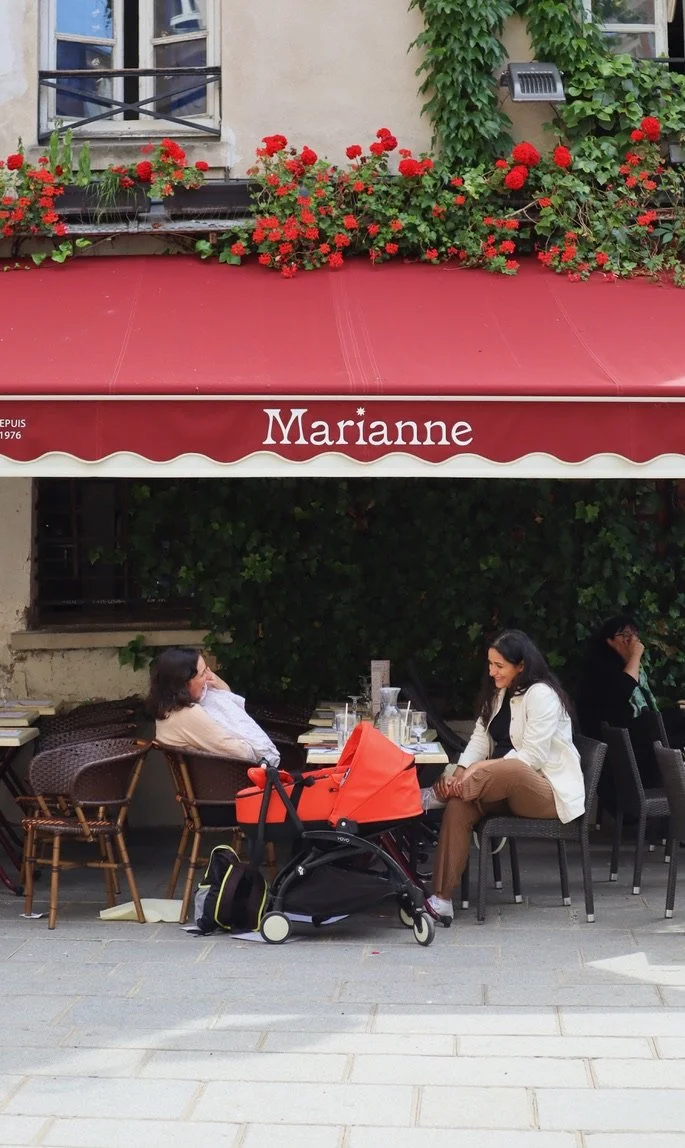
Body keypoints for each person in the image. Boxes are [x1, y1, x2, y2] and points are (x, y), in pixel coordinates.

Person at [426, 630, 584, 922]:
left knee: (511, 768)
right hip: (498, 786)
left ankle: (436, 794)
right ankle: (442, 899)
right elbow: (478, 739)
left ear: (521, 665)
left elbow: (532, 757)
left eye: (499, 666)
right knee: (460, 806)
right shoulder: (500, 694)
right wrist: (463, 769)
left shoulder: (542, 695)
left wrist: (479, 770)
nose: (491, 672)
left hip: (544, 791)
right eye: (490, 664)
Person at [576, 614, 660, 802]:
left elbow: (648, 712)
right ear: (609, 641)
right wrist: (635, 655)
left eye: (634, 635)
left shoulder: (623, 669)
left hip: (631, 757)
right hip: (622, 769)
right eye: (624, 635)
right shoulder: (601, 671)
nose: (632, 641)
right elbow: (623, 689)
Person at [148, 647, 280, 767]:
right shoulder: (189, 714)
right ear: (183, 684)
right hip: (232, 786)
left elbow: (228, 710)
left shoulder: (167, 710)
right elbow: (243, 754)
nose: (207, 678)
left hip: (211, 784)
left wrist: (220, 688)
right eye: (202, 674)